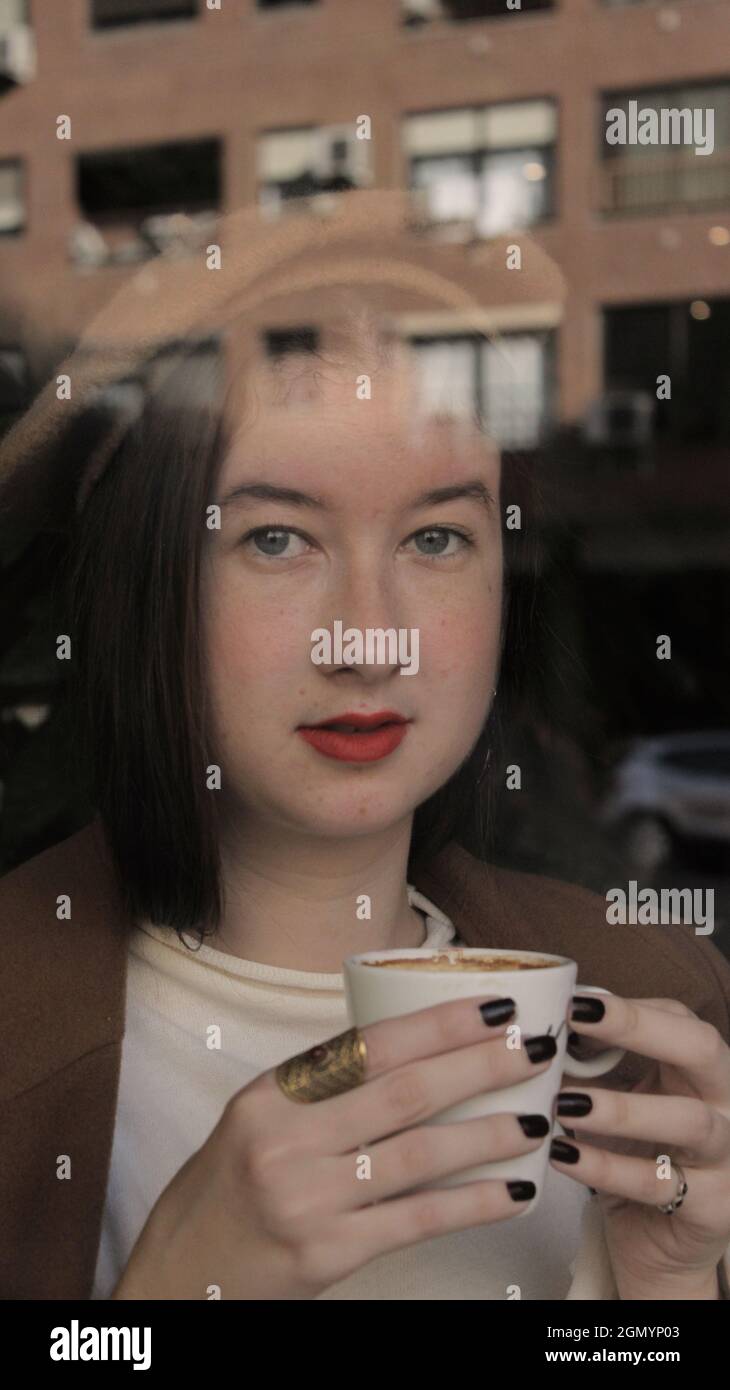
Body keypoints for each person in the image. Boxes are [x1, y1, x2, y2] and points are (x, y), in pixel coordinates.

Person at [1, 195, 729, 1301]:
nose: (368, 636)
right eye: (277, 538)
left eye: (436, 537)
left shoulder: (658, 1011)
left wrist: (669, 1298)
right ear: (145, 585)